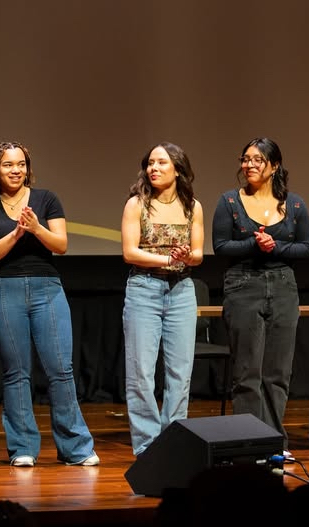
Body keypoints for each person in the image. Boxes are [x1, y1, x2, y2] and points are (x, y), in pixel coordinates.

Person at [0, 141, 100, 467]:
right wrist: (17, 234)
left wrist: (36, 228)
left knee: (61, 369)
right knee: (16, 373)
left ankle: (76, 448)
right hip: (4, 289)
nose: (16, 170)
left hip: (48, 289)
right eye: (8, 165)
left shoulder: (46, 199)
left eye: (21, 164)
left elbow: (61, 245)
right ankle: (23, 448)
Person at [211, 138, 309, 447]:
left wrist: (276, 246)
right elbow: (220, 247)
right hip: (243, 285)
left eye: (257, 159)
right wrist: (254, 244)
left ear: (274, 166)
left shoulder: (294, 204)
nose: (249, 165)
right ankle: (248, 444)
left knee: (277, 372)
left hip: (283, 286)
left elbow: (307, 248)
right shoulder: (229, 201)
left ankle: (273, 443)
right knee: (247, 373)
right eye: (245, 159)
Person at [120, 142, 205, 456]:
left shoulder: (192, 206)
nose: (153, 168)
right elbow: (130, 252)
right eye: (150, 163)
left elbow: (196, 254)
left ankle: (173, 444)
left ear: (178, 169)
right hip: (144, 288)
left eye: (161, 163)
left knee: (179, 373)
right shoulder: (137, 204)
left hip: (182, 290)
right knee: (141, 372)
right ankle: (147, 448)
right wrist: (169, 260)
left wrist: (186, 257)